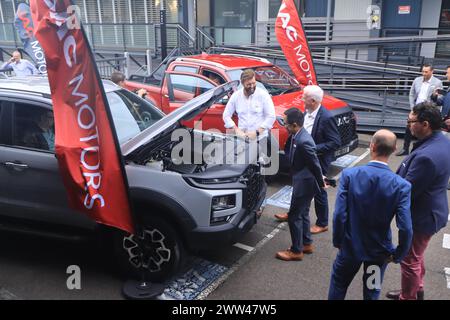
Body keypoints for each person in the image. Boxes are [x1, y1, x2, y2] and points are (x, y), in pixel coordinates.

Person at [328, 130, 413, 300]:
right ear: (394, 149)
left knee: (339, 284)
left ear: (372, 146)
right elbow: (405, 227)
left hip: (350, 248)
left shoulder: (350, 175)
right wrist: (398, 254)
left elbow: (339, 215)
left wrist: (339, 240)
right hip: (378, 252)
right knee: (371, 290)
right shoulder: (401, 186)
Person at [386, 102, 450, 300]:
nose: (408, 125)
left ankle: (409, 297)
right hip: (434, 209)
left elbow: (407, 191)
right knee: (416, 255)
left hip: (422, 216)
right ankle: (415, 289)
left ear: (425, 124)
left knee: (409, 259)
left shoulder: (426, 157)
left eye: (411, 121)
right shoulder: (442, 141)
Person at [275, 85, 340, 235]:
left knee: (319, 191)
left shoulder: (327, 117)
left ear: (312, 100)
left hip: (317, 159)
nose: (302, 99)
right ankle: (294, 212)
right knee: (298, 186)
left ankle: (322, 223)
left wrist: (311, 149)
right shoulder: (307, 111)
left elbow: (335, 142)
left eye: (304, 97)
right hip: (302, 158)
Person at [275, 108, 325, 261]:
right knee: (302, 213)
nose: (283, 125)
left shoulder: (304, 141)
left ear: (294, 125)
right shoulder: (297, 135)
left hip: (305, 184)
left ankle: (296, 251)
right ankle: (306, 243)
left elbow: (315, 164)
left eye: (285, 123)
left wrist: (321, 182)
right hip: (302, 181)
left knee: (294, 216)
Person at [396, 64, 442, 156]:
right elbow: (411, 94)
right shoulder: (417, 80)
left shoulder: (438, 83)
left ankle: (419, 150)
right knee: (408, 127)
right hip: (416, 108)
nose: (424, 73)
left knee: (423, 130)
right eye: (423, 71)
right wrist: (412, 107)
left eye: (426, 72)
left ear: (432, 71)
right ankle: (405, 149)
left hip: (427, 111)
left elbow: (439, 99)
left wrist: (435, 97)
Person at [223, 69, 276, 140]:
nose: (252, 86)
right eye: (248, 84)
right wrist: (236, 130)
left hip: (261, 138)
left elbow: (271, 116)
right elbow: (226, 115)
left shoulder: (263, 95)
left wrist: (257, 132)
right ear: (242, 84)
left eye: (253, 83)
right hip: (243, 139)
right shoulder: (236, 96)